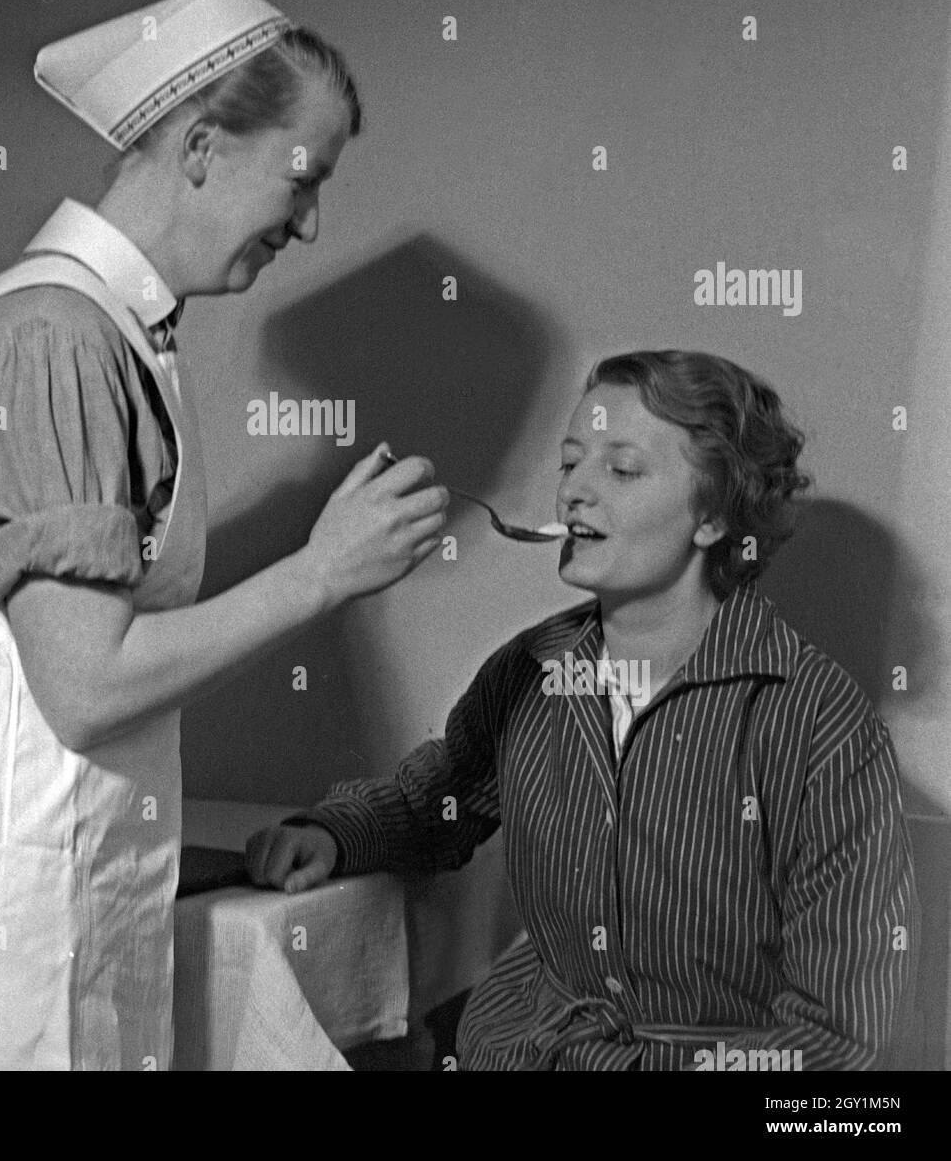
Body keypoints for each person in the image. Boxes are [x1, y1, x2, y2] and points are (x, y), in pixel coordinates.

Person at [0, 0, 448, 1071]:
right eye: (303, 178)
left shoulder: (112, 332)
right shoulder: (58, 338)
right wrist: (321, 573)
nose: (311, 224)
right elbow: (84, 688)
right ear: (199, 151)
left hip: (33, 828)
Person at [248, 350, 917, 1070]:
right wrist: (330, 833)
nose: (573, 493)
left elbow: (836, 1035)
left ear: (715, 516)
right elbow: (431, 804)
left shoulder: (821, 727)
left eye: (621, 470)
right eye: (571, 463)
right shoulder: (533, 671)